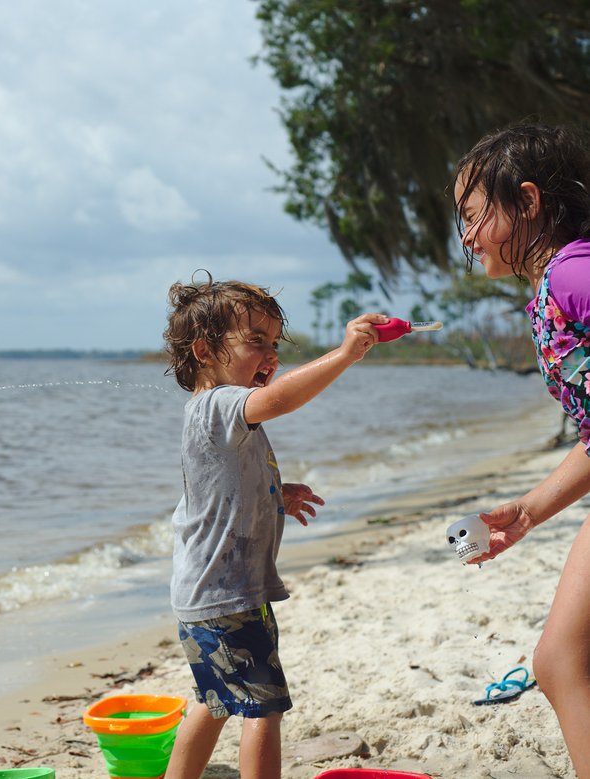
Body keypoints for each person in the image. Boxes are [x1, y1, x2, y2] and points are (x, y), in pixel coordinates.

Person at [160, 274, 386, 779]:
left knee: (215, 700)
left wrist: (275, 495)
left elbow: (219, 488)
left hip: (206, 591)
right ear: (204, 351)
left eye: (274, 342)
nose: (271, 355)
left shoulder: (214, 415)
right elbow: (281, 399)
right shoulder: (220, 405)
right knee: (263, 708)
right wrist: (346, 354)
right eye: (255, 341)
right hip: (228, 596)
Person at [455, 123, 590, 775]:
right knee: (560, 659)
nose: (467, 237)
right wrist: (531, 510)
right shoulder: (552, 288)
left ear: (529, 201)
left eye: (476, 215)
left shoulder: (573, 271)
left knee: (563, 659)